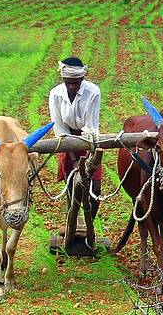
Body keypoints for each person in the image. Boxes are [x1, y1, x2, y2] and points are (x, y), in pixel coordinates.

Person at [48, 57, 102, 220]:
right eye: (68, 82)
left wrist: (88, 160)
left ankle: (89, 224)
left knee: (95, 188)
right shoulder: (56, 94)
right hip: (67, 141)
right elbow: (60, 129)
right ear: (63, 79)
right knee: (72, 185)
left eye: (76, 82)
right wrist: (73, 160)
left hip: (89, 140)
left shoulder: (93, 92)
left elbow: (91, 127)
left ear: (82, 79)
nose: (72, 86)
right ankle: (73, 221)